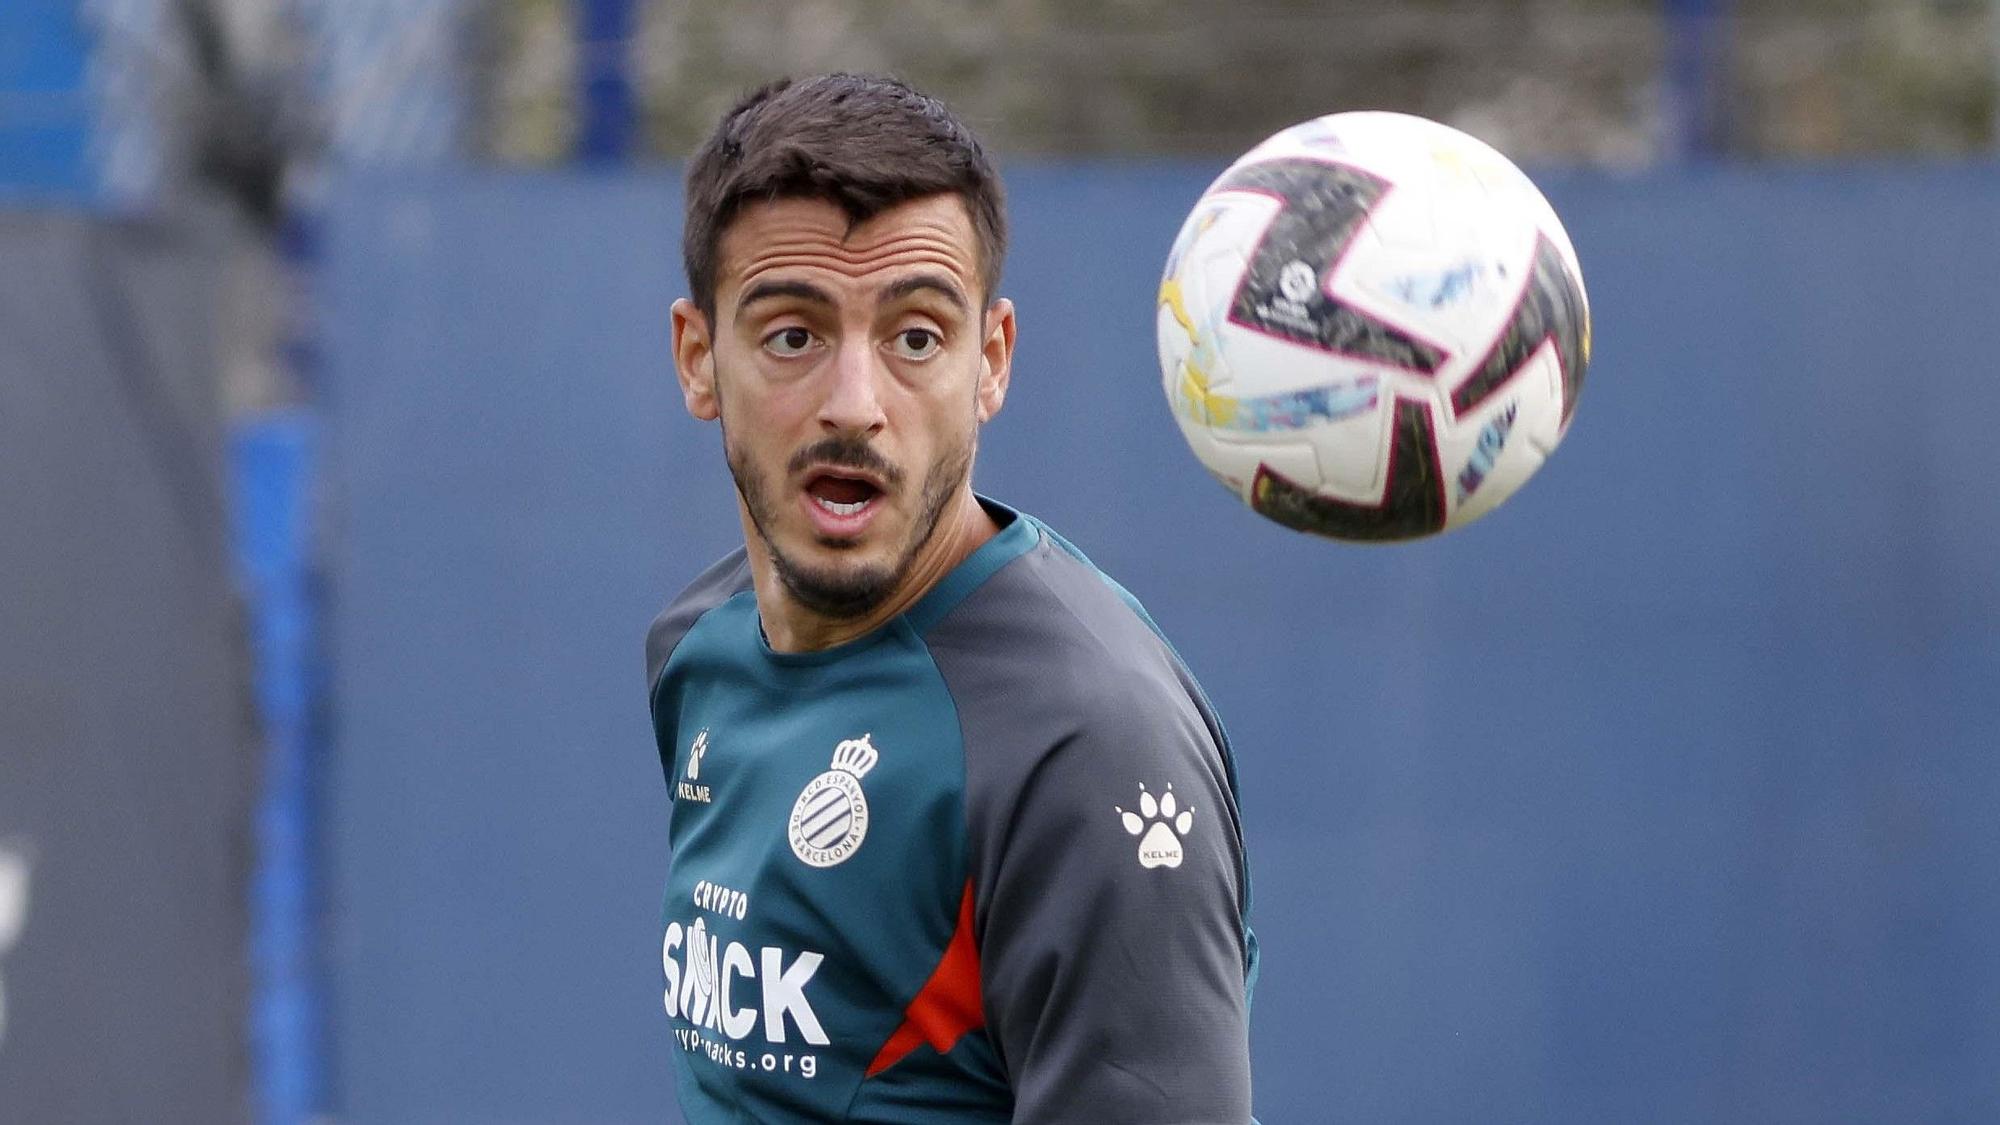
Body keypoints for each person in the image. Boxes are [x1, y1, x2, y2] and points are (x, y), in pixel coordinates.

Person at [647, 73, 1256, 1123]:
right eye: (791, 335)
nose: (853, 405)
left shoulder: (1085, 744)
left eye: (915, 337)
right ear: (700, 360)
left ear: (991, 361)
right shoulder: (697, 648)